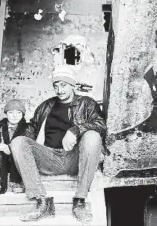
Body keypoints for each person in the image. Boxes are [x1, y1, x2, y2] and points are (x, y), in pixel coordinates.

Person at [9, 66, 106, 223]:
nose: (59, 90)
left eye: (63, 85)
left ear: (72, 85)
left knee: (93, 136)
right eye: (56, 85)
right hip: (49, 157)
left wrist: (76, 130)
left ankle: (80, 201)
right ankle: (42, 203)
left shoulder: (87, 103)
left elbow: (101, 125)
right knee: (18, 142)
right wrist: (9, 130)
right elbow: (31, 130)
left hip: (75, 158)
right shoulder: (46, 106)